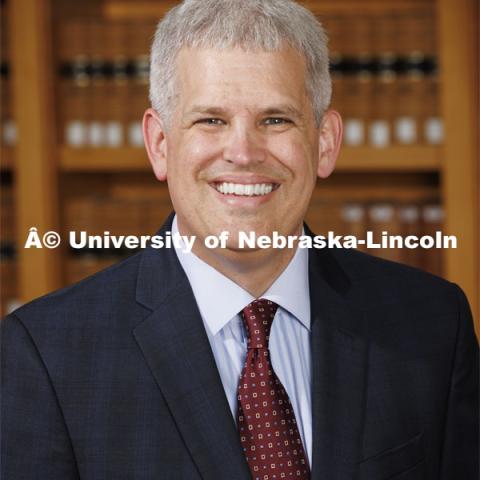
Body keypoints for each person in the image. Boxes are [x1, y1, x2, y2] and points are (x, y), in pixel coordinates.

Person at [2, 0, 478, 479]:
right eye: (211, 120)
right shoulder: (45, 356)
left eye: (276, 119)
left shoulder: (434, 326)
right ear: (160, 144)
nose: (244, 153)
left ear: (326, 142)